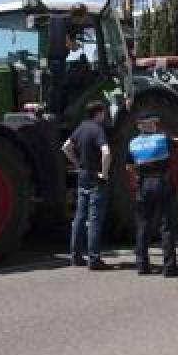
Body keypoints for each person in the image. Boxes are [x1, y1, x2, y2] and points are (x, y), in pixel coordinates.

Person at [127, 116, 178, 277]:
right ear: (150, 125)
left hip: (143, 185)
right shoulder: (162, 139)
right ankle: (169, 267)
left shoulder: (133, 143)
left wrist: (140, 174)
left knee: (143, 225)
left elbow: (129, 167)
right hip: (162, 183)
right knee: (166, 226)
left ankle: (142, 265)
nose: (155, 125)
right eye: (153, 122)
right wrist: (172, 138)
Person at [62, 101, 111, 270]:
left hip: (82, 177)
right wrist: (104, 173)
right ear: (99, 113)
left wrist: (77, 163)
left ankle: (75, 256)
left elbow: (66, 147)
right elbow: (106, 152)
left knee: (79, 218)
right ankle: (94, 259)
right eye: (104, 112)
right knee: (95, 219)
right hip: (96, 179)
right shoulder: (98, 130)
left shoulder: (81, 128)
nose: (105, 116)